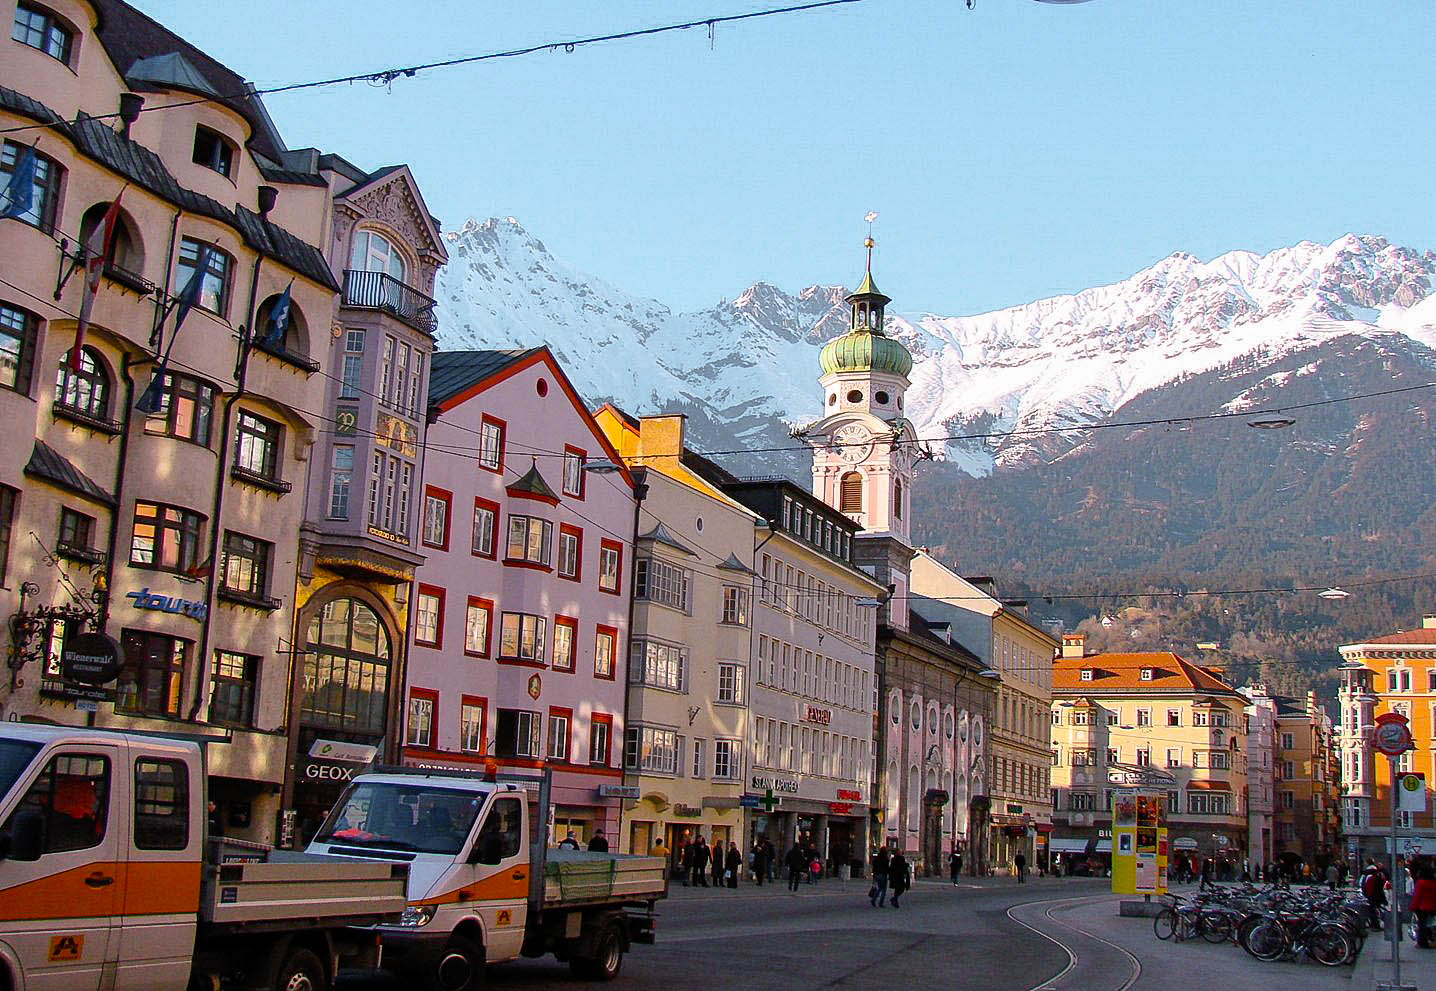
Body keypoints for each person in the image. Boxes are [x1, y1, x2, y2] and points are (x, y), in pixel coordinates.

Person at [1414, 864, 1436, 949]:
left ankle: (1423, 942)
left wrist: (1413, 907)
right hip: (1433, 907)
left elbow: (1417, 896)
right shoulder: (1434, 882)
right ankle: (1432, 939)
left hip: (1423, 907)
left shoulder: (1421, 882)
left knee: (1422, 925)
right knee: (1432, 924)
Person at [1363, 858, 1388, 930]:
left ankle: (1375, 925)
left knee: (1373, 911)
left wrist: (1367, 895)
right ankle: (1377, 924)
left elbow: (1368, 888)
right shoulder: (1378, 877)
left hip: (1372, 897)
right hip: (1377, 896)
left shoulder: (1371, 878)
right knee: (1376, 910)